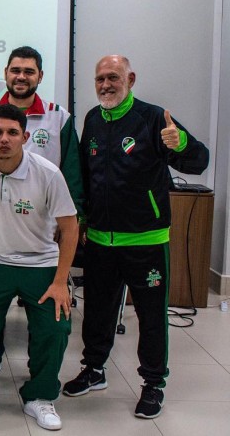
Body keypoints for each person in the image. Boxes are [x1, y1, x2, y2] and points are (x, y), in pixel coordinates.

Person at [63, 55, 209, 419]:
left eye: (113, 77)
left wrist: (181, 143)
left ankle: (153, 384)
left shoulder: (153, 118)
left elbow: (199, 162)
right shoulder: (93, 119)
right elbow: (86, 173)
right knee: (97, 311)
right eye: (100, 79)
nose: (106, 85)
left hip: (146, 241)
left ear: (130, 79)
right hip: (100, 240)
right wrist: (83, 219)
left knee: (151, 316)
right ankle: (94, 369)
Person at [0, 104, 78, 430]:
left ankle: (40, 397)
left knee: (56, 327)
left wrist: (60, 282)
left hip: (42, 260)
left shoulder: (48, 173)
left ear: (25, 136)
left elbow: (70, 228)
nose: (4, 139)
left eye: (12, 133)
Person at [0, 45, 85, 373]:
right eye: (15, 70)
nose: (21, 77)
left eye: (29, 71)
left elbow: (71, 171)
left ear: (40, 76)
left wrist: (71, 221)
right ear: (5, 74)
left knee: (48, 320)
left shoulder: (59, 116)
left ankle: (40, 377)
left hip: (43, 230)